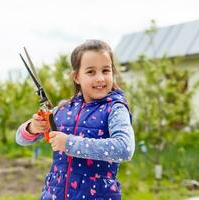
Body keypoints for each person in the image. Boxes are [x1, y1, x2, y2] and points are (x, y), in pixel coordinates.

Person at [16, 39, 135, 200]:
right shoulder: (64, 110)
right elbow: (21, 139)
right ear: (76, 77)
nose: (100, 78)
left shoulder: (114, 108)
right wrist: (33, 127)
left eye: (105, 71)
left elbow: (124, 149)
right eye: (91, 72)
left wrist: (69, 144)